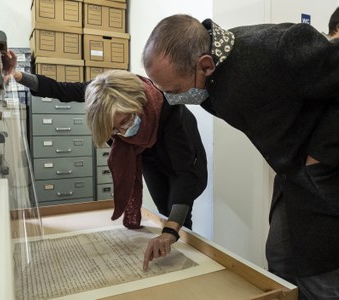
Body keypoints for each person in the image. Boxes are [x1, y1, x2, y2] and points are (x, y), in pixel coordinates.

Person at [142, 14, 339, 299]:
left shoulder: (279, 47)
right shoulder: (206, 79)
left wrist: (320, 156)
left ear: (205, 65)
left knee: (321, 275)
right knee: (281, 262)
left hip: (327, 174)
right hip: (293, 178)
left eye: (174, 90)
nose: (171, 98)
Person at [2, 51, 208, 271]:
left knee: (178, 216)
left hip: (183, 155)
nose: (122, 132)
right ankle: (169, 240)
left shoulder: (168, 105)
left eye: (126, 121)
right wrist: (17, 75)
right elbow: (60, 90)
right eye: (114, 130)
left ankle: (187, 261)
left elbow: (184, 175)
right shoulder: (102, 92)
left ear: (135, 103)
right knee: (163, 208)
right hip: (146, 153)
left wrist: (169, 233)